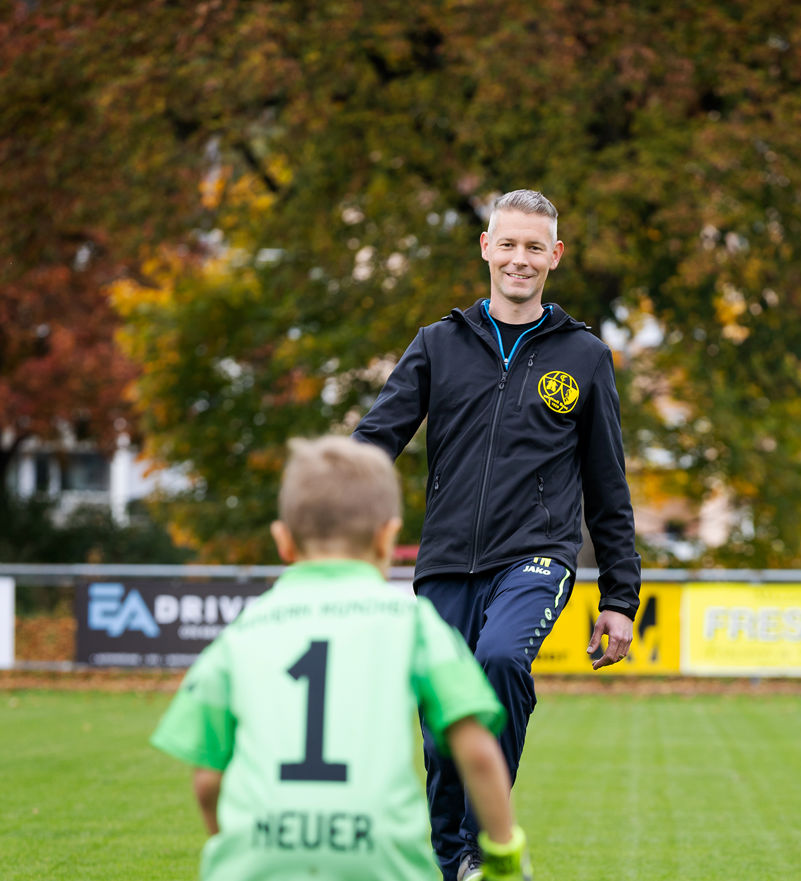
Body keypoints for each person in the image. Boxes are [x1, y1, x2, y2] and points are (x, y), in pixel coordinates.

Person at [353, 189, 642, 881]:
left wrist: (620, 598)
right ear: (486, 246)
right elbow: (374, 441)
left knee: (504, 660)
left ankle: (488, 837)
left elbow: (609, 486)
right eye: (507, 243)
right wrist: (325, 516)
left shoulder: (585, 356)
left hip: (537, 556)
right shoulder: (438, 343)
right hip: (446, 561)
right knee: (442, 717)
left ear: (555, 256)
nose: (520, 258)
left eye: (534, 246)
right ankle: (454, 859)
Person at [150, 436, 532, 881]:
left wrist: (233, 847)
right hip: (379, 858)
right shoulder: (413, 623)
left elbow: (207, 780)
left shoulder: (243, 631)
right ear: (387, 537)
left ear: (283, 540)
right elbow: (479, 753)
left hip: (257, 858)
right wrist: (503, 859)